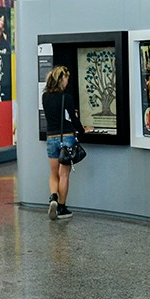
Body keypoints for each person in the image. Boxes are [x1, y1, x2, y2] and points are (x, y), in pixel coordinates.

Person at [41, 65, 89, 219]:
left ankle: (53, 196)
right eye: (66, 78)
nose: (68, 81)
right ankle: (61, 207)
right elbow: (73, 119)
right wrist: (83, 130)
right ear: (61, 79)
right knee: (64, 175)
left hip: (51, 138)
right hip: (66, 137)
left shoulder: (45, 97)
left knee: (53, 174)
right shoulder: (66, 97)